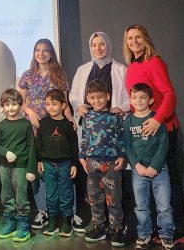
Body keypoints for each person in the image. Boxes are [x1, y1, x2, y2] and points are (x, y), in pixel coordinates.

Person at [123, 24, 184, 244]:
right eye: (130, 38)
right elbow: (135, 100)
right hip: (142, 134)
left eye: (138, 37)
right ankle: (152, 232)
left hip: (162, 130)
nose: (134, 41)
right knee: (144, 187)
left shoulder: (154, 62)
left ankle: (175, 233)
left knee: (167, 186)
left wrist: (158, 119)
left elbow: (169, 94)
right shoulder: (132, 66)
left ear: (146, 39)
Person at [70, 31, 131, 232]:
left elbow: (129, 97)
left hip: (112, 137)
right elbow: (74, 95)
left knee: (114, 190)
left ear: (109, 45)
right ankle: (97, 222)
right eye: (94, 45)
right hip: (91, 135)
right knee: (93, 189)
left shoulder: (121, 70)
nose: (98, 48)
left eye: (102, 44)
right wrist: (78, 105)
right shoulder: (82, 70)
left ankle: (117, 225)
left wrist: (121, 108)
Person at [18, 38, 72, 229]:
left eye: (45, 50)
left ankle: (66, 213)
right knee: (39, 167)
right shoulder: (27, 75)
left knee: (61, 169)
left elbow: (65, 103)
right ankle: (42, 211)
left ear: (51, 53)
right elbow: (21, 102)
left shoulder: (59, 75)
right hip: (33, 126)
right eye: (37, 50)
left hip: (55, 128)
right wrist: (31, 113)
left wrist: (70, 120)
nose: (41, 54)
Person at [125, 83, 174, 250]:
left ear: (151, 100)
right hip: (138, 171)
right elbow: (128, 146)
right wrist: (136, 165)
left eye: (142, 97)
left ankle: (166, 235)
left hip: (159, 171)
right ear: (130, 100)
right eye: (134, 97)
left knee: (164, 207)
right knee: (141, 206)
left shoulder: (156, 120)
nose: (138, 101)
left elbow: (164, 145)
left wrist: (155, 166)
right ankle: (144, 233)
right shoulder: (129, 120)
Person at [79, 80, 126, 247]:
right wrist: (82, 156)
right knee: (94, 196)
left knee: (114, 197)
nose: (97, 101)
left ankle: (117, 229)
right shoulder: (87, 116)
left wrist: (122, 155)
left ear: (107, 96)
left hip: (111, 163)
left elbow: (122, 137)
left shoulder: (116, 116)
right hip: (92, 162)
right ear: (88, 98)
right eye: (92, 98)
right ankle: (98, 226)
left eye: (100, 97)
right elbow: (84, 137)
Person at [0, 89, 37, 243]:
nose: (11, 108)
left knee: (21, 196)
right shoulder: (1, 125)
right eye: (7, 104)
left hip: (21, 166)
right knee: (6, 195)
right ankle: (10, 223)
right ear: (3, 106)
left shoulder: (26, 124)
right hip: (4, 166)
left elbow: (32, 147)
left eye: (14, 104)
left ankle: (24, 227)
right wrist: (5, 152)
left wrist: (31, 169)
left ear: (20, 104)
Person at [36, 89, 78, 238]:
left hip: (65, 164)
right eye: (47, 104)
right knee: (51, 194)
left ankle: (66, 221)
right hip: (48, 164)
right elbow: (39, 144)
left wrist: (74, 164)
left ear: (63, 105)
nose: (50, 107)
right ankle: (53, 220)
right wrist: (39, 160)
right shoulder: (43, 123)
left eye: (54, 104)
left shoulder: (68, 124)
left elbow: (74, 146)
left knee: (66, 193)